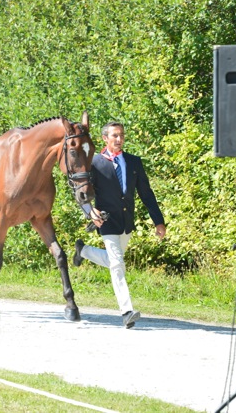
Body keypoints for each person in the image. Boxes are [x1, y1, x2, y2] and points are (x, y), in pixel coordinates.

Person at [73, 121, 166, 329]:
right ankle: (126, 311)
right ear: (105, 138)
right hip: (106, 221)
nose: (119, 139)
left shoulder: (134, 162)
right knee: (117, 264)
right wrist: (89, 211)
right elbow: (82, 192)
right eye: (114, 135)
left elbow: (146, 194)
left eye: (121, 135)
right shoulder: (94, 163)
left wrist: (158, 221)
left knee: (114, 260)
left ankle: (83, 251)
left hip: (126, 222)